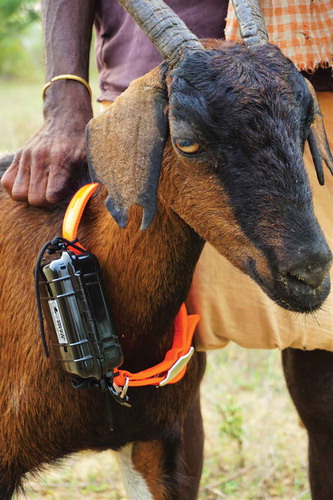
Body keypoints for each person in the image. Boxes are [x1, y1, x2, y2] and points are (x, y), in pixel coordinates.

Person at [1, 0, 332, 352]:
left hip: (295, 81)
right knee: (151, 317)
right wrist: (64, 100)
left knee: (315, 307)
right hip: (155, 94)